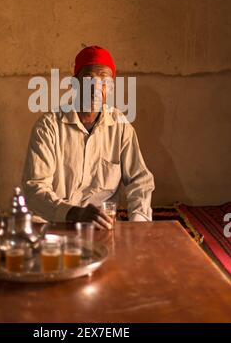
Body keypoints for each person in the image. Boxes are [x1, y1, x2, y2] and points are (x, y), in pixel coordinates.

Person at [22, 46, 155, 229]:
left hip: (102, 227)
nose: (96, 88)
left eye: (105, 82)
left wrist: (138, 225)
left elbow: (140, 181)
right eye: (88, 80)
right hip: (55, 226)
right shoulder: (48, 127)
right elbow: (34, 190)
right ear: (74, 83)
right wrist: (73, 213)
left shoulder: (121, 127)